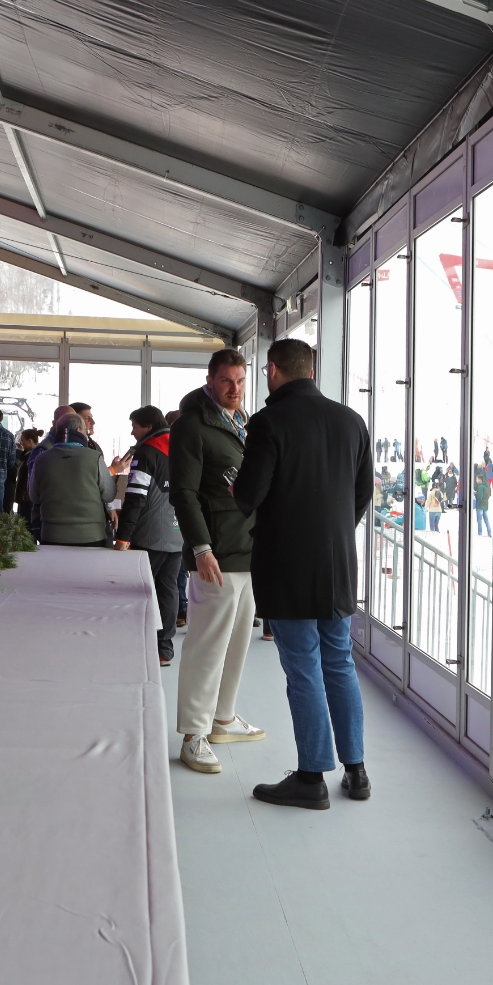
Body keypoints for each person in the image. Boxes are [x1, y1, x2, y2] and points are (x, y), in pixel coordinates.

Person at [234, 338, 372, 809]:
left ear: (273, 370)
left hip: (288, 565)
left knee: (303, 669)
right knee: (339, 662)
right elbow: (361, 494)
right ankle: (356, 772)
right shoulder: (352, 421)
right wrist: (331, 531)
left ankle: (311, 777)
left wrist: (235, 482)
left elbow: (249, 496)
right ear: (311, 369)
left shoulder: (268, 422)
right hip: (337, 564)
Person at [170, 348, 262, 776]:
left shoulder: (242, 424)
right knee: (207, 645)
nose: (235, 389)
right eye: (227, 381)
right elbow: (183, 494)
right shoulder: (193, 426)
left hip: (247, 547)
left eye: (241, 381)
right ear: (210, 381)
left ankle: (222, 718)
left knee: (238, 641)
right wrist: (201, 548)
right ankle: (194, 733)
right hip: (216, 553)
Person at [114, 405, 183, 666]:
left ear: (148, 426)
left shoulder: (145, 453)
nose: (132, 432)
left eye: (135, 426)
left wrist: (123, 538)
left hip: (148, 535)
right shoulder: (182, 447)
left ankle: (139, 645)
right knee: (169, 590)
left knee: (142, 591)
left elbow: (135, 498)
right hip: (177, 532)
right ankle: (164, 649)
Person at [29, 412, 115, 546]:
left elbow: (34, 496)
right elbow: (109, 494)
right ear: (78, 431)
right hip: (91, 536)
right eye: (85, 431)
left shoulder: (41, 459)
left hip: (52, 535)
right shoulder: (94, 458)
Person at [13, 428, 41, 527]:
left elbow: (31, 477)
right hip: (26, 496)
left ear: (30, 441)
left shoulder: (33, 456)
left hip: (27, 497)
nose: (21, 443)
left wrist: (24, 493)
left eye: (23, 440)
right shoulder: (29, 454)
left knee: (27, 527)